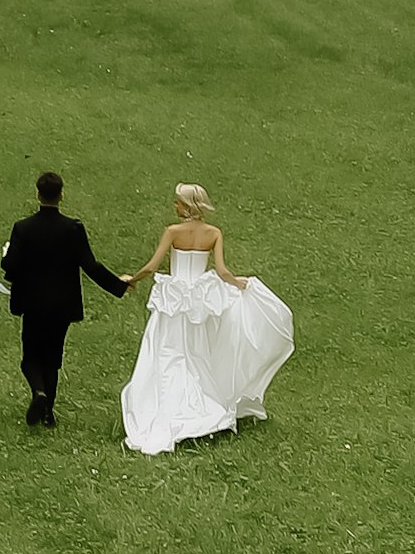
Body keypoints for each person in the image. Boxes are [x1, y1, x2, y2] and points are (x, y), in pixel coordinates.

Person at [117, 182, 294, 456]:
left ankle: (167, 406)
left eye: (177, 202)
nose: (174, 206)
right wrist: (238, 283)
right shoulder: (213, 233)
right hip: (199, 299)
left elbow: (153, 266)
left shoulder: (173, 232)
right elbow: (222, 271)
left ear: (186, 206)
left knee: (168, 351)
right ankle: (201, 405)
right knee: (196, 354)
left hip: (175, 300)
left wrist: (131, 279)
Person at [0, 170, 128, 429]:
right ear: (61, 195)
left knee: (30, 357)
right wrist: (119, 285)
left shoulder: (23, 228)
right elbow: (90, 265)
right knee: (53, 357)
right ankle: (48, 414)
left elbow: (11, 267)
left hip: (33, 303)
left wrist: (7, 258)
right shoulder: (73, 228)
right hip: (62, 304)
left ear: (38, 194)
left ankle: (38, 392)